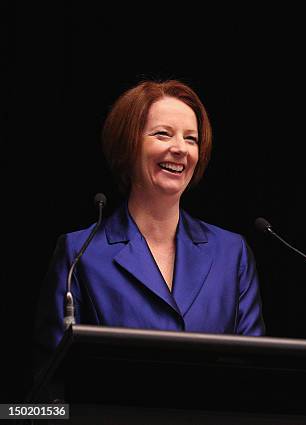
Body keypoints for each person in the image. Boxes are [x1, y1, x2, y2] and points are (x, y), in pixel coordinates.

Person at [33, 80, 265, 372]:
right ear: (128, 144)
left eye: (191, 139)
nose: (180, 149)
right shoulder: (80, 253)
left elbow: (253, 373)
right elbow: (52, 384)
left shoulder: (232, 253)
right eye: (163, 134)